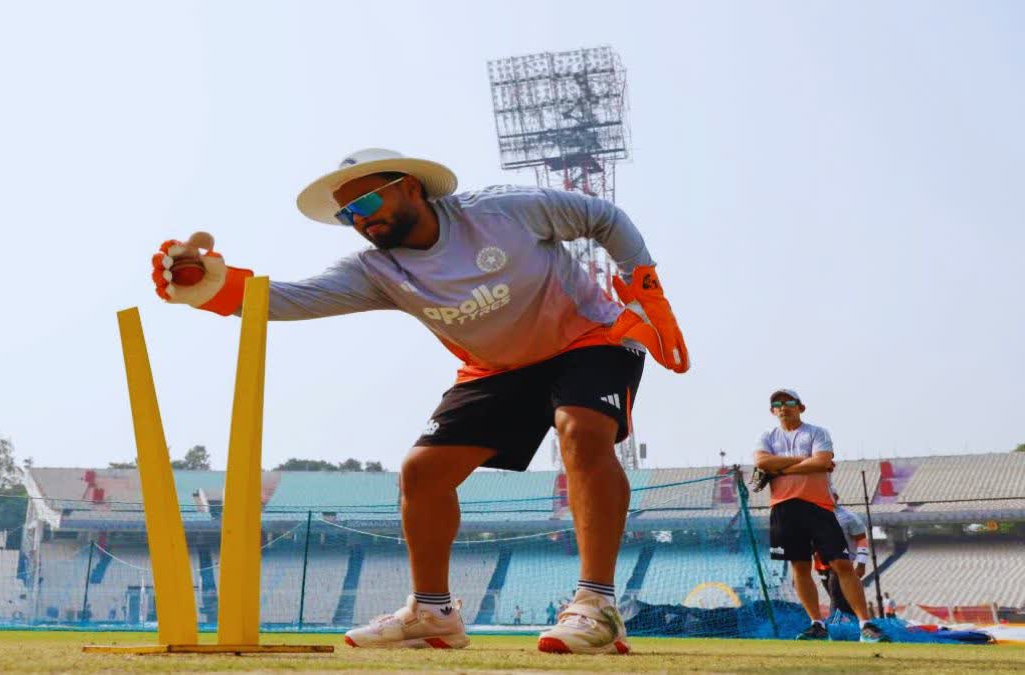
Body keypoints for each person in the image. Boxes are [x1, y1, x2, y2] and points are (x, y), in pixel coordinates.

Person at [152, 148, 689, 654]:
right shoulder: (376, 270)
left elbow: (605, 218)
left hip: (587, 338)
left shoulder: (504, 211)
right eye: (347, 217)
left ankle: (596, 603)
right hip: (495, 369)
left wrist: (642, 283)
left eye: (364, 204)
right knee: (422, 472)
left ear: (409, 187)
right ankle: (433, 614)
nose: (359, 221)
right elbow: (289, 298)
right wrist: (214, 287)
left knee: (581, 429)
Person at [753, 389, 889, 643]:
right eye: (777, 403)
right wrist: (804, 461)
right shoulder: (767, 436)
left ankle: (866, 624)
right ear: (772, 410)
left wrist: (780, 468)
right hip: (783, 507)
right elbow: (762, 463)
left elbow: (821, 461)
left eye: (789, 402)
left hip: (819, 506)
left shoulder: (817, 432)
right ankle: (817, 624)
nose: (783, 407)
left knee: (842, 565)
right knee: (800, 567)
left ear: (801, 407)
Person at [815, 491, 871, 618]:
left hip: (840, 564)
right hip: (822, 566)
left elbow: (862, 541)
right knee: (841, 599)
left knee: (836, 596)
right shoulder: (815, 516)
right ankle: (858, 624)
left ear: (836, 497)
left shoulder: (849, 517)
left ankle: (835, 625)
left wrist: (861, 564)